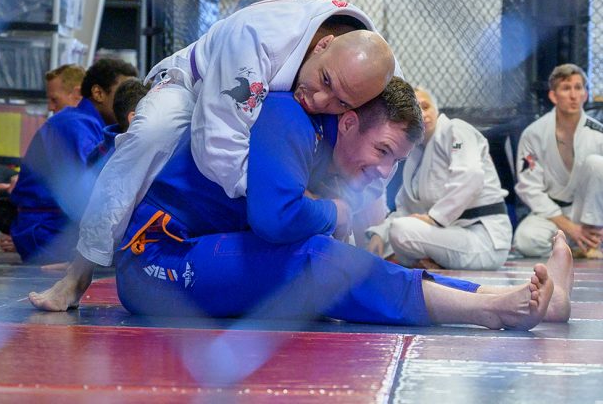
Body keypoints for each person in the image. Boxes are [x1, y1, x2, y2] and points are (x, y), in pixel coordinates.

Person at [113, 78, 569, 329]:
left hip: (210, 249)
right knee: (318, 259)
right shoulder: (287, 117)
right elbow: (277, 220)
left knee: (333, 261)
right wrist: (337, 211)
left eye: (396, 161)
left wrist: (344, 203)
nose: (384, 171)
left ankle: (512, 300)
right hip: (156, 261)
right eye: (383, 152)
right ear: (347, 123)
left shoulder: (328, 151)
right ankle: (487, 311)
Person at [31, 0, 396, 310]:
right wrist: (285, 197)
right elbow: (217, 148)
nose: (319, 100)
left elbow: (384, 136)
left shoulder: (370, 66)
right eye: (325, 81)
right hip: (191, 85)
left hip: (253, 106)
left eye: (340, 101)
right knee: (149, 136)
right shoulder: (258, 38)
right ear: (322, 44)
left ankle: (350, 265)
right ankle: (78, 272)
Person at [5, 58, 137, 263]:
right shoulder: (74, 124)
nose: (130, 101)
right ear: (98, 93)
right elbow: (89, 196)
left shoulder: (95, 125)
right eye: (122, 92)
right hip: (48, 230)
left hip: (56, 226)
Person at [365, 87, 512, 270]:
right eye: (416, 110)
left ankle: (424, 262)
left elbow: (471, 176)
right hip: (450, 235)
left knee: (401, 231)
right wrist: (379, 234)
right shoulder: (416, 153)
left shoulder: (455, 129)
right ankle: (427, 262)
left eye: (426, 107)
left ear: (436, 110)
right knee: (382, 238)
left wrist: (435, 218)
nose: (422, 114)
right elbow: (405, 209)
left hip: (483, 238)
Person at [513, 64, 603, 259]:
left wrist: (592, 225)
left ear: (585, 95)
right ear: (553, 96)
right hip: (552, 214)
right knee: (526, 240)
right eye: (566, 88)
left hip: (591, 213)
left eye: (578, 88)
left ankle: (590, 240)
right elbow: (530, 188)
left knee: (598, 163)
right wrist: (571, 228)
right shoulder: (533, 134)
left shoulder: (599, 134)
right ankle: (574, 246)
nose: (573, 95)